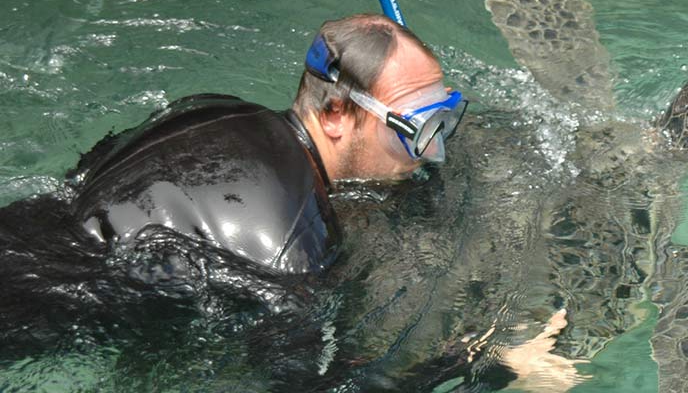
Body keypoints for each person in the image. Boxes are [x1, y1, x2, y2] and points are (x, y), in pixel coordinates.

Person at [38, 14, 468, 275]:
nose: (434, 153)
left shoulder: (207, 107)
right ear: (336, 114)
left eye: (443, 122)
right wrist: (483, 362)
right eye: (412, 131)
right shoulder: (296, 243)